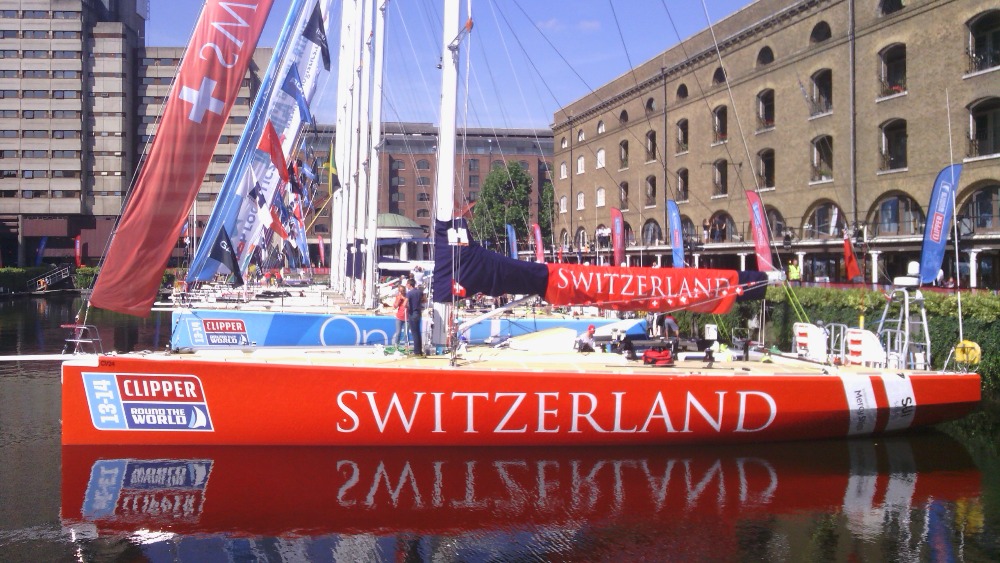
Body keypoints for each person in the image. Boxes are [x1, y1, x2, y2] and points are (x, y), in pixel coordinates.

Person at [405, 278, 424, 356]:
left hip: (412, 313)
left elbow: (404, 304)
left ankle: (416, 351)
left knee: (414, 333)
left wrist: (408, 306)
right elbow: (425, 300)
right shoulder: (419, 292)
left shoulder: (409, 293)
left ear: (409, 285)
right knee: (418, 332)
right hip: (418, 313)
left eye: (407, 284)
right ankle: (419, 350)